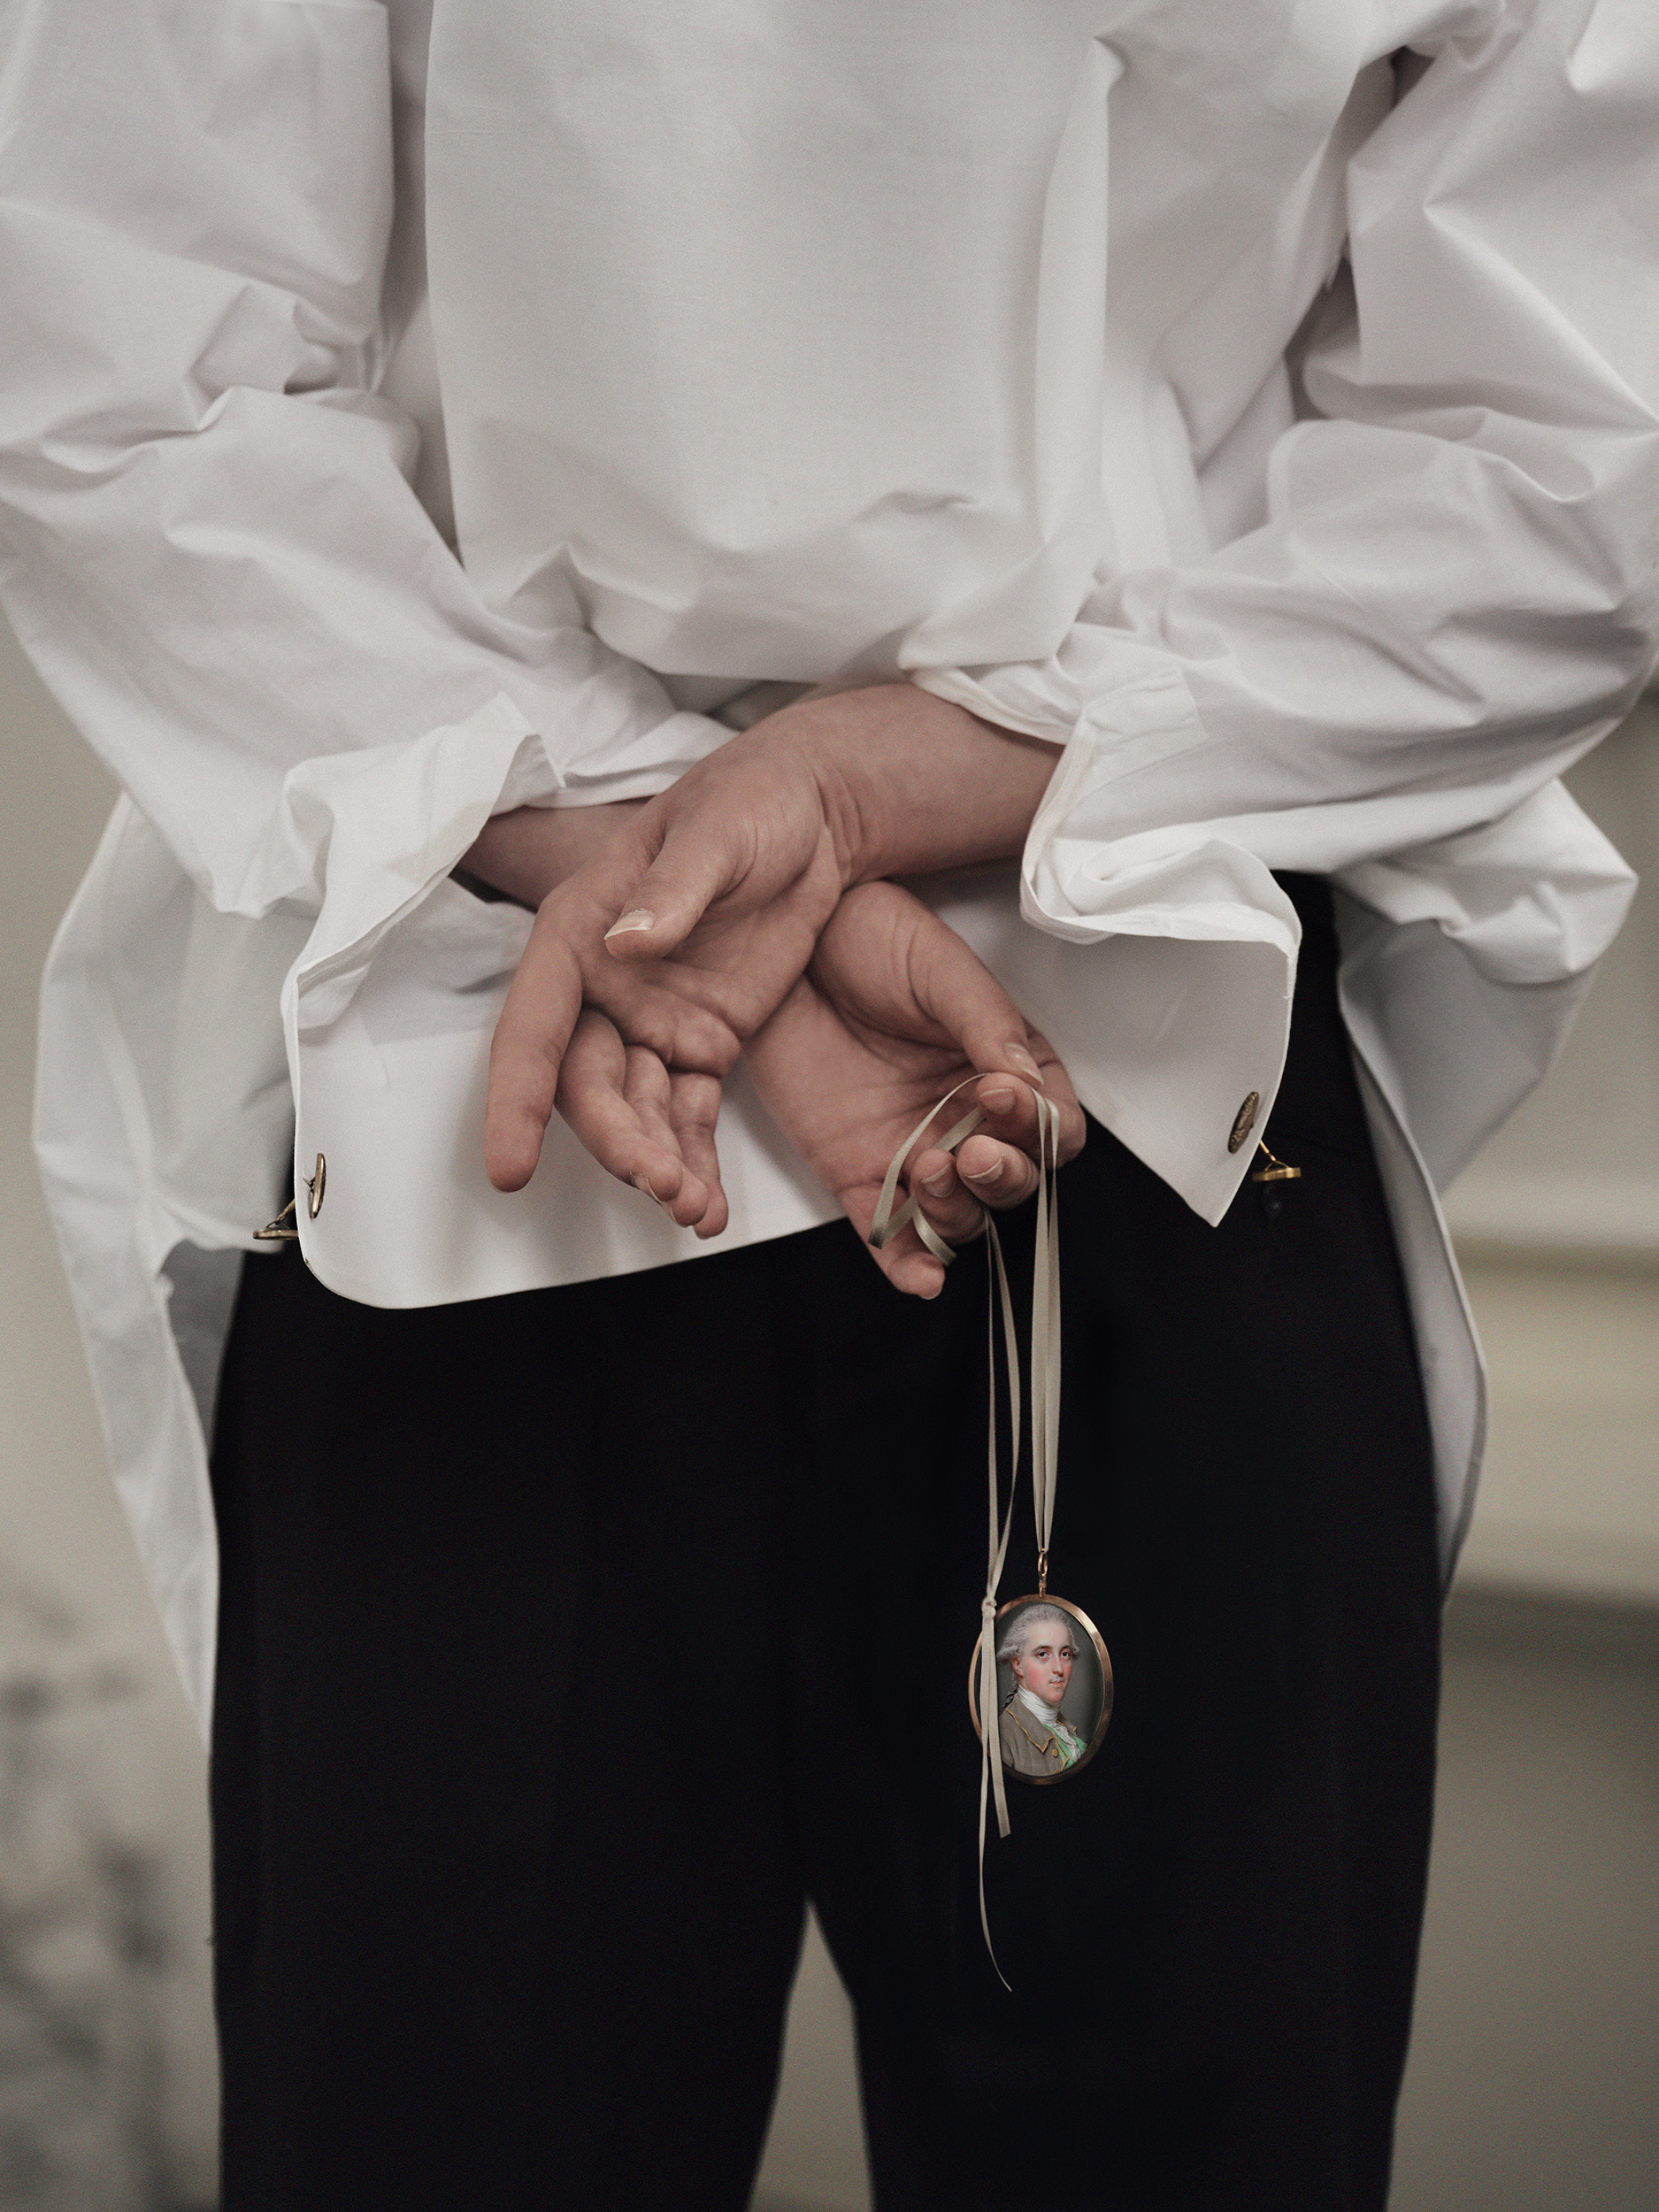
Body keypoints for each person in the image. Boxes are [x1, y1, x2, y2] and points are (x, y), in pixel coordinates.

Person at [4, 3, 1655, 2208]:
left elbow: (1579, 436)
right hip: (494, 1088)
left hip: (1132, 1091)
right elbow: (115, 350)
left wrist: (798, 813)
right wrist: (682, 867)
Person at [996, 1605, 1089, 1779]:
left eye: (1065, 1654)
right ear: (1018, 1665)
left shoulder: (1067, 1732)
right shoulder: (1003, 1737)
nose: (1059, 1668)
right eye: (1042, 1654)